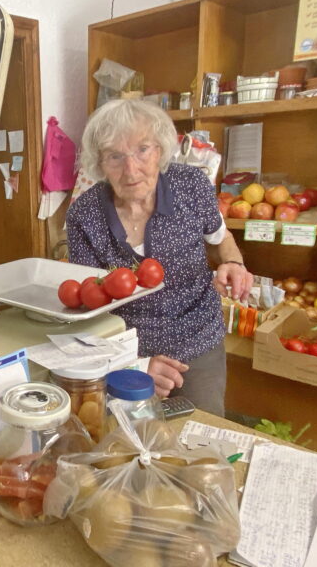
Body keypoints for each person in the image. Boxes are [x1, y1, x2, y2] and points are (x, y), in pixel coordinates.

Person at [66, 99, 253, 417]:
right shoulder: (84, 215)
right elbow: (90, 310)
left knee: (200, 432)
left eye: (142, 150)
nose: (131, 170)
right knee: (129, 436)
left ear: (161, 149)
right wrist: (133, 364)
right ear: (100, 162)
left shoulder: (191, 186)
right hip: (126, 353)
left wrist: (234, 264)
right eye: (115, 156)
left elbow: (221, 239)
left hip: (197, 340)